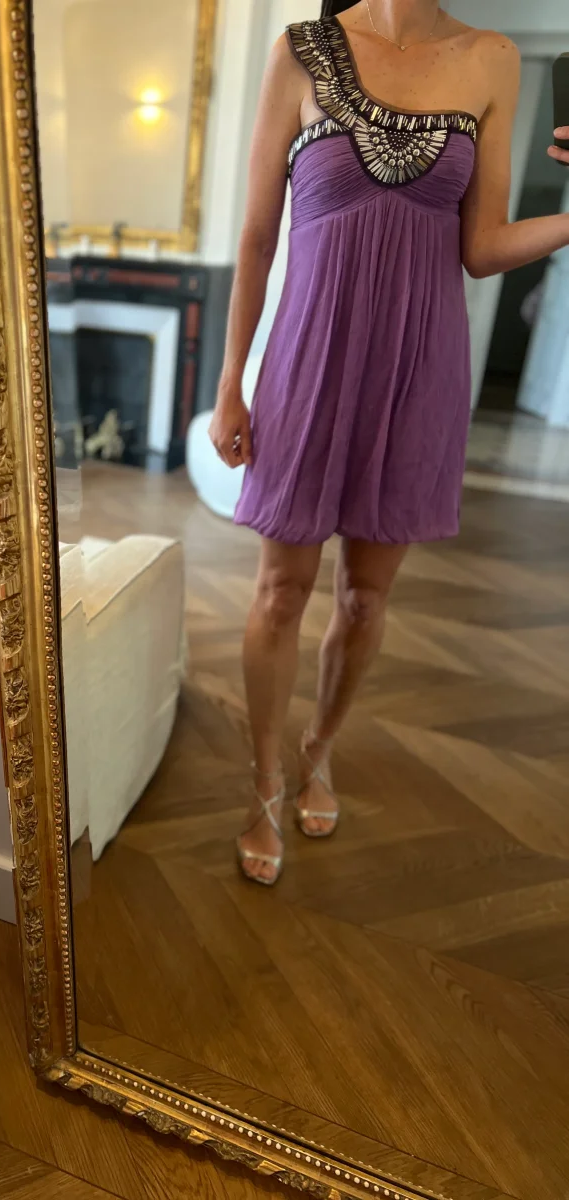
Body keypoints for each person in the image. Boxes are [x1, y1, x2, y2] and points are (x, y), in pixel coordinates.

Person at [209, 0, 569, 885]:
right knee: (280, 591)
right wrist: (231, 381)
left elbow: (482, 247)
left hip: (420, 367)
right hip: (308, 361)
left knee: (367, 600)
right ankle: (264, 781)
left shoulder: (491, 57)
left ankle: (319, 748)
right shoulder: (301, 51)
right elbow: (256, 237)